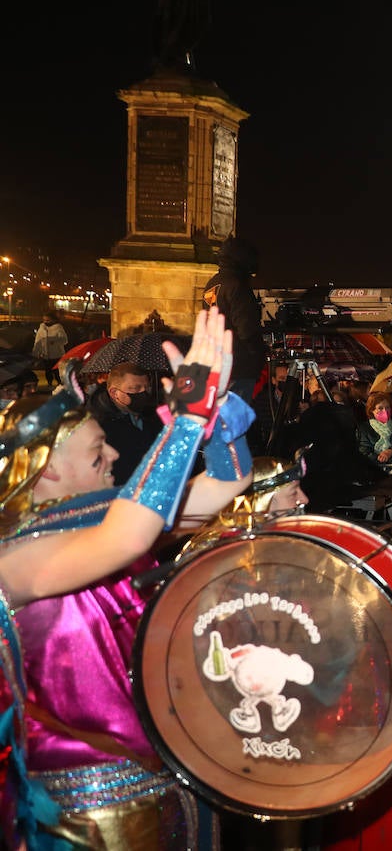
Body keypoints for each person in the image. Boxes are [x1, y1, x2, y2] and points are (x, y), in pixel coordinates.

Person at [0, 306, 253, 850]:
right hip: (85, 821)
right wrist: (186, 418)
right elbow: (127, 537)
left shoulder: (111, 514)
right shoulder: (9, 560)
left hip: (170, 787)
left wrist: (216, 419)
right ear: (46, 469)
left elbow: (228, 483)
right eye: (97, 449)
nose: (113, 452)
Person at [203, 235, 265, 404]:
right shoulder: (237, 285)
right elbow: (246, 328)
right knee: (234, 422)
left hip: (217, 363)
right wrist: (259, 355)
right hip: (238, 365)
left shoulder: (213, 283)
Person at [87, 361, 162, 485]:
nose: (143, 393)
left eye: (146, 388)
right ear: (114, 393)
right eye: (135, 388)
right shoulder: (98, 426)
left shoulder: (152, 415)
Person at [357, 391, 392, 468]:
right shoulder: (364, 429)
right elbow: (365, 455)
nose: (385, 411)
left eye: (387, 407)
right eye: (380, 408)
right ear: (372, 410)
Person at [31, 310, 69, 388]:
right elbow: (38, 341)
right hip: (45, 355)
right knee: (48, 371)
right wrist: (36, 353)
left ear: (53, 319)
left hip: (57, 354)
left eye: (48, 320)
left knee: (56, 371)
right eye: (44, 320)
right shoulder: (41, 328)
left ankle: (60, 384)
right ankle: (49, 383)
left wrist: (54, 340)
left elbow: (64, 340)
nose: (46, 321)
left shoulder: (58, 328)